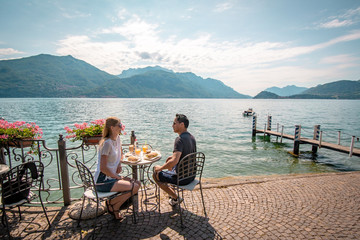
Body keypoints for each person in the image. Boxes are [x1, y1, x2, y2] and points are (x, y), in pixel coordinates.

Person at [94, 117, 140, 219]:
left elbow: (120, 154)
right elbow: (103, 168)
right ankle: (112, 205)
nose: (121, 127)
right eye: (119, 125)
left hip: (112, 177)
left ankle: (113, 206)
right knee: (134, 187)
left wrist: (119, 164)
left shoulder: (118, 139)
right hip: (102, 180)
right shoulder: (107, 143)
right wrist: (117, 176)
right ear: (112, 127)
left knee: (138, 183)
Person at [153, 114, 197, 206]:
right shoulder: (191, 137)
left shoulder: (179, 139)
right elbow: (185, 154)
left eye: (174, 123)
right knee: (170, 166)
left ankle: (176, 198)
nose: (172, 125)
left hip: (182, 179)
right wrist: (173, 157)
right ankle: (172, 194)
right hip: (191, 175)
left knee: (155, 173)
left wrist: (160, 168)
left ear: (182, 124)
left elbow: (174, 161)